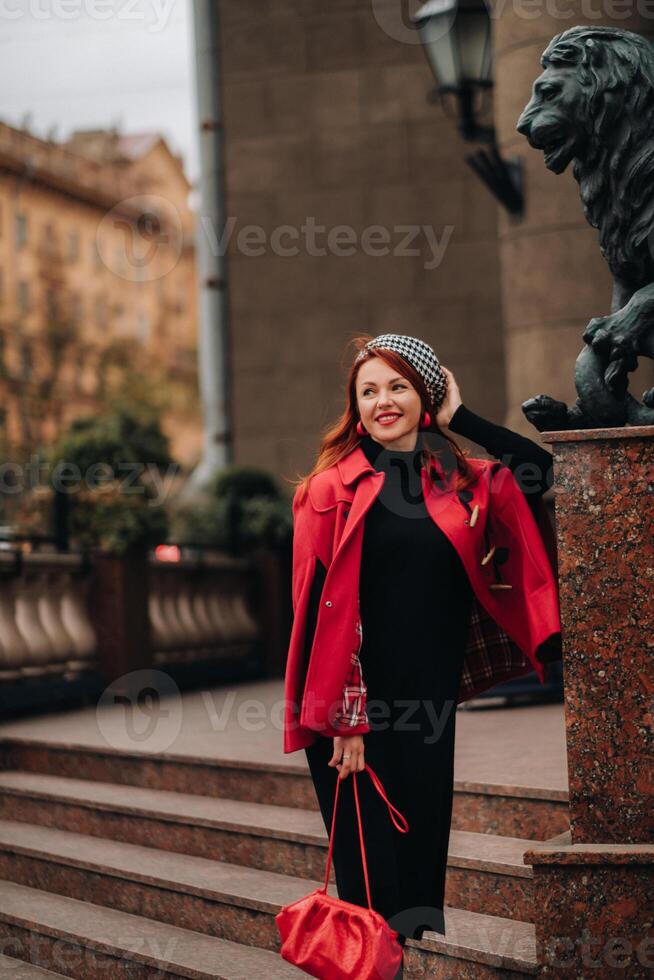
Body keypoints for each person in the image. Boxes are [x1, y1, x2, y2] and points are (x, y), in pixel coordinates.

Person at [283, 333, 561, 954]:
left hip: (429, 706)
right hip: (356, 714)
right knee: (369, 889)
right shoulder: (328, 492)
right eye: (369, 391)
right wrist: (346, 719)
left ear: (424, 397)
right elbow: (320, 616)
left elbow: (540, 471)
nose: (384, 401)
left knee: (414, 885)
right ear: (354, 408)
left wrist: (461, 418)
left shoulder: (460, 483)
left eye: (399, 386)